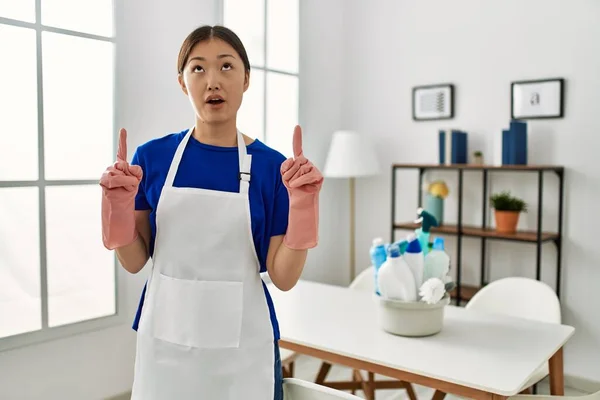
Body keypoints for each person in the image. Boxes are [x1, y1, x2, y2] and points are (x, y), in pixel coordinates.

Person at [99, 25, 323, 399]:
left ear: (247, 78)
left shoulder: (273, 168)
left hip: (243, 352)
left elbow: (283, 277)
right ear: (182, 82)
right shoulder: (151, 159)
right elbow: (135, 261)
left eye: (226, 66)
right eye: (198, 68)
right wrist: (117, 208)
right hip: (165, 347)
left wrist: (303, 207)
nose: (212, 81)